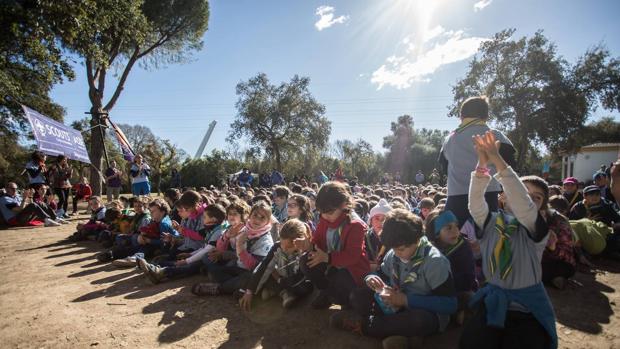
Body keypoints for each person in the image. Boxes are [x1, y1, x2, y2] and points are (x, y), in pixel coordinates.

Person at [459, 131, 557, 349]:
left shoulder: (538, 229)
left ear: (542, 207)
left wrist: (498, 160)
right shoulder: (492, 221)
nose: (529, 199)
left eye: (536, 198)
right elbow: (475, 204)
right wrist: (482, 164)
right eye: (525, 192)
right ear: (503, 197)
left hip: (526, 309)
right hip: (493, 301)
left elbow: (523, 205)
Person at [330, 209, 457, 348]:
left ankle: (365, 326)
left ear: (417, 239)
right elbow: (380, 273)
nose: (397, 253)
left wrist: (405, 300)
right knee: (358, 296)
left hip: (423, 313)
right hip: (393, 306)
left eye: (401, 249)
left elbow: (450, 304)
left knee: (418, 321)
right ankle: (405, 336)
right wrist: (371, 278)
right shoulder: (394, 252)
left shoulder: (435, 262)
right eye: (394, 249)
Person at [438, 96, 516, 228]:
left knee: (455, 240)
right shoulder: (496, 135)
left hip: (456, 197)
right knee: (488, 238)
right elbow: (510, 166)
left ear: (461, 116)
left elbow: (443, 168)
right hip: (488, 195)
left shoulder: (449, 139)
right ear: (486, 116)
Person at [296, 181, 370, 309]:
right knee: (306, 260)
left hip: (352, 270)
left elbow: (353, 256)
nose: (325, 216)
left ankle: (344, 299)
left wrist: (327, 258)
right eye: (322, 212)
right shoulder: (325, 218)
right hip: (331, 262)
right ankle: (327, 293)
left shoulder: (355, 225)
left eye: (330, 212)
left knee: (340, 278)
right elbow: (318, 242)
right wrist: (309, 246)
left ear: (344, 204)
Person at [191, 201, 274, 296]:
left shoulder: (265, 239)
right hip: (238, 267)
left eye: (262, 217)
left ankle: (220, 288)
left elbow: (254, 266)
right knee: (214, 271)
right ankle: (237, 287)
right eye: (255, 215)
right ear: (250, 216)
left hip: (251, 272)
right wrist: (226, 236)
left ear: (268, 221)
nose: (257, 220)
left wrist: (239, 246)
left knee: (248, 277)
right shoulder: (246, 229)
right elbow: (220, 248)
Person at [139, 204, 228, 284]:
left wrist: (186, 260)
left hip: (212, 260)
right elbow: (204, 247)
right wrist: (190, 254)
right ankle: (156, 268)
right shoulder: (213, 229)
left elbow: (207, 250)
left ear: (213, 219)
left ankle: (161, 272)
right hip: (205, 256)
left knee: (189, 266)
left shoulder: (219, 232)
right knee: (182, 261)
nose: (203, 219)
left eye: (205, 217)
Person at [239, 219, 314, 310]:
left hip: (295, 283)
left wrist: (279, 279)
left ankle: (282, 293)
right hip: (281, 278)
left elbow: (299, 279)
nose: (284, 249)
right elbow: (264, 266)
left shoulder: (306, 253)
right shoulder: (278, 247)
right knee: (261, 271)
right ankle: (280, 292)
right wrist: (249, 292)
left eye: (289, 247)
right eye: (282, 244)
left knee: (301, 287)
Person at [425, 209, 476, 325]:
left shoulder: (463, 247)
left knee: (470, 297)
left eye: (456, 226)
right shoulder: (427, 249)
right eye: (448, 228)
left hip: (458, 291)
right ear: (436, 233)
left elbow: (468, 280)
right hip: (434, 293)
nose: (455, 231)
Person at [366, 199, 392, 271]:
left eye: (384, 219)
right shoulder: (364, 237)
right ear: (371, 221)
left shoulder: (394, 238)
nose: (380, 222)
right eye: (376, 218)